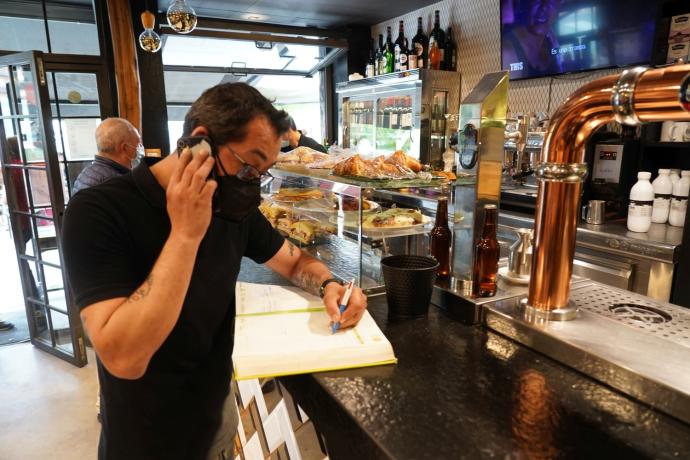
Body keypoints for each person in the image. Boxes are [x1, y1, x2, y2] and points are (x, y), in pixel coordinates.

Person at [61, 82, 368, 460]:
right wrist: (186, 233)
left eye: (262, 172)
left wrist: (328, 284)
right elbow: (123, 356)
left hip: (218, 424)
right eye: (248, 165)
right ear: (200, 142)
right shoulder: (97, 212)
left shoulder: (232, 208)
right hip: (145, 438)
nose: (251, 183)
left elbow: (293, 260)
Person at [71, 117, 143, 195]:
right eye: (138, 145)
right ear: (124, 148)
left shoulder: (87, 172)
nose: (139, 149)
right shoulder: (115, 182)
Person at [502, 0, 563, 79]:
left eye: (551, 1)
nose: (543, 7)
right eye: (537, 0)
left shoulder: (552, 39)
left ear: (559, 5)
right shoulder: (508, 51)